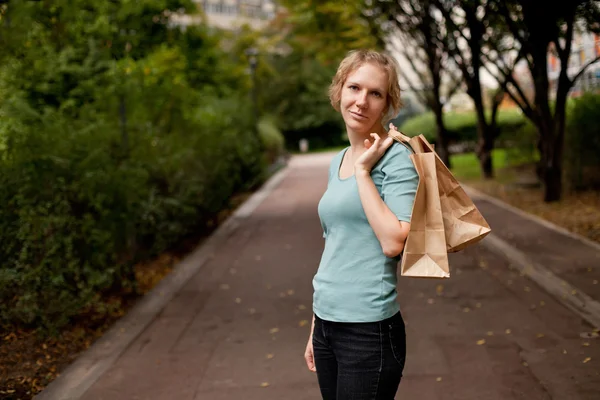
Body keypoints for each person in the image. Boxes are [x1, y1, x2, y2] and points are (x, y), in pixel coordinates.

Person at [304, 49, 419, 399]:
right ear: (339, 91)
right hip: (327, 323)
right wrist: (316, 325)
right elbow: (335, 246)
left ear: (387, 104)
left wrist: (363, 172)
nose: (361, 101)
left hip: (368, 331)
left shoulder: (397, 158)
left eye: (375, 93)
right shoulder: (339, 158)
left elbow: (393, 242)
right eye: (354, 88)